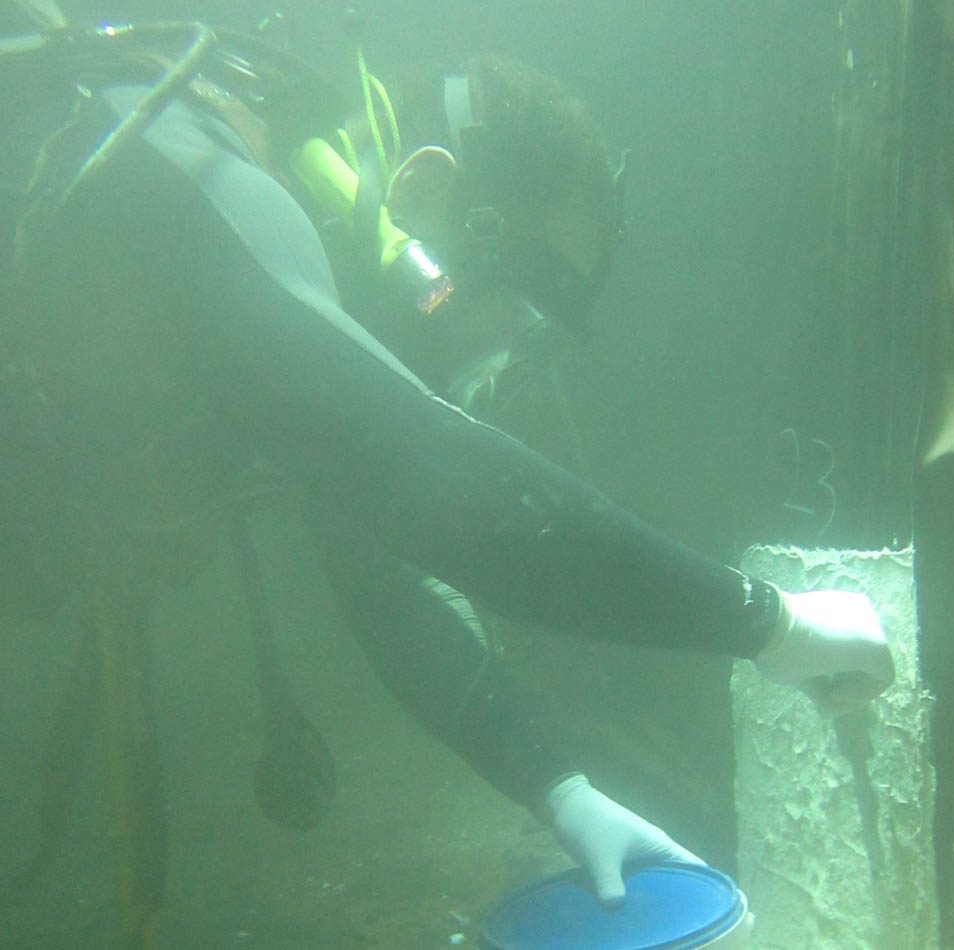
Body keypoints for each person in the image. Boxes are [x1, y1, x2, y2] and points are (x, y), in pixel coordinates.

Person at [0, 9, 895, 912]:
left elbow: (386, 579)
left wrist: (560, 789)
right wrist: (771, 626)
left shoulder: (248, 237)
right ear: (432, 195)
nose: (508, 361)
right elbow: (443, 489)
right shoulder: (186, 170)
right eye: (526, 300)